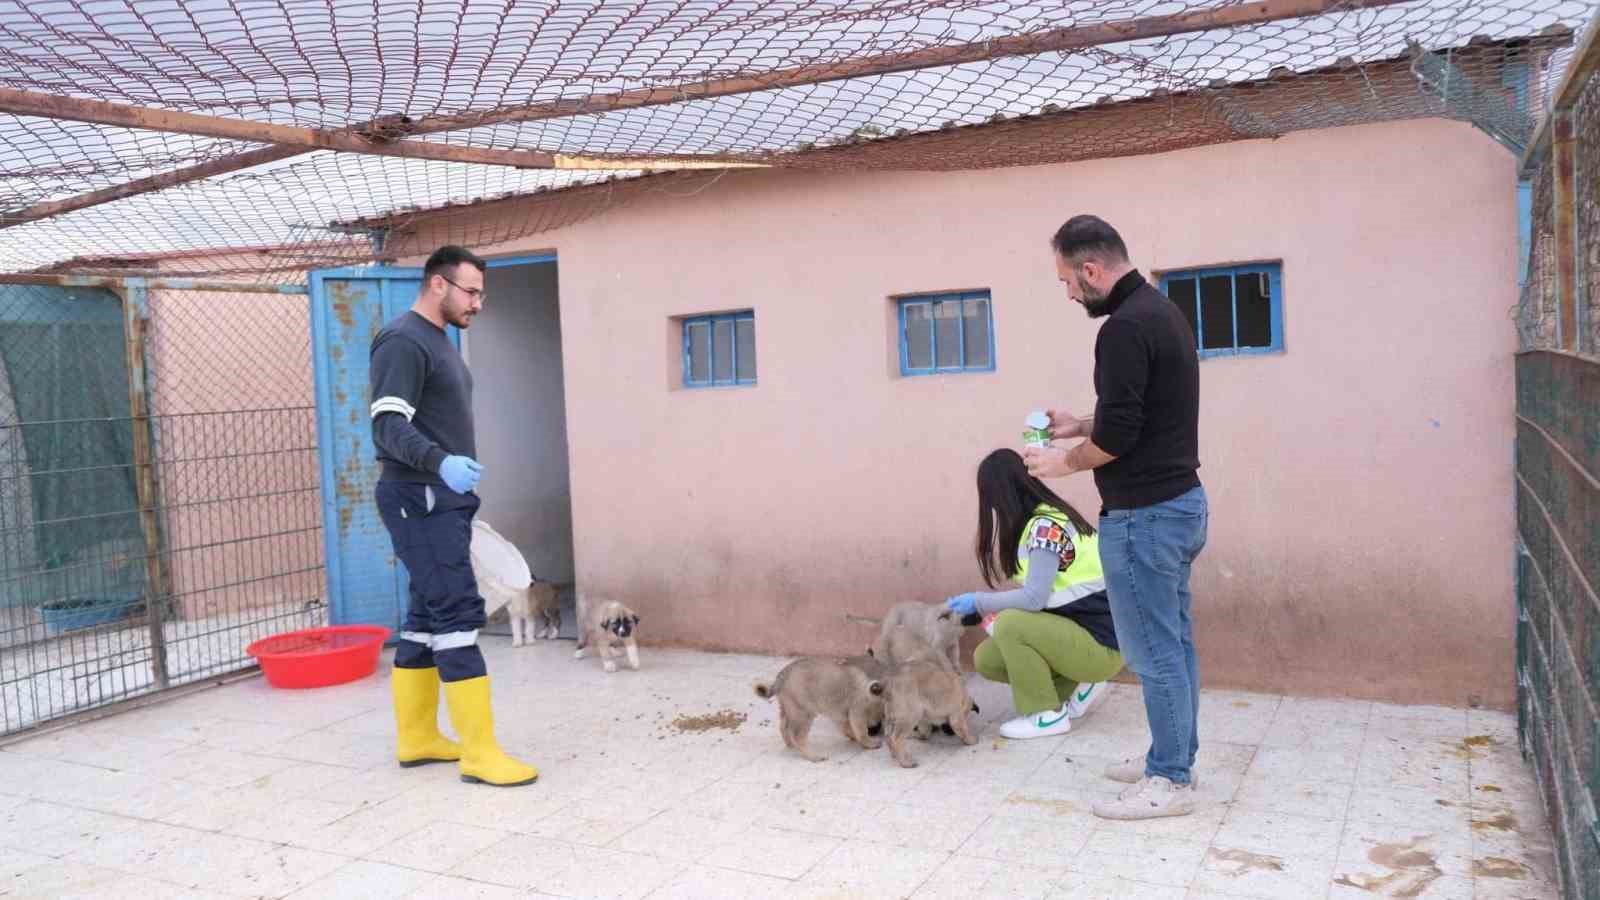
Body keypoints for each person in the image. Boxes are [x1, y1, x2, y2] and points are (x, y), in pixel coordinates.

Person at [1024, 215, 1207, 820]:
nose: (1069, 294)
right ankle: (1172, 754)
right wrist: (1080, 423)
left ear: (1092, 269)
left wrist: (1062, 461)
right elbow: (1141, 414)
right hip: (1180, 503)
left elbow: (1124, 436)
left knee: (1153, 652)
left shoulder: (1122, 330)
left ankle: (1170, 780)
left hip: (1146, 515)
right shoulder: (1161, 311)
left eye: (1068, 282)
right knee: (1173, 645)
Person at [369, 245, 537, 787]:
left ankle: (417, 738)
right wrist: (441, 463)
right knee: (458, 617)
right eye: (472, 291)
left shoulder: (438, 341)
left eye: (481, 293)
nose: (479, 304)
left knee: (425, 617)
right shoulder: (402, 340)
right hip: (420, 495)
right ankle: (480, 754)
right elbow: (387, 426)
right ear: (438, 285)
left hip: (440, 499)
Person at [945, 449, 1122, 740]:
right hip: (1080, 633)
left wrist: (979, 601)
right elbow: (1046, 596)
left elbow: (1034, 599)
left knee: (1012, 624)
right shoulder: (1034, 526)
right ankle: (1080, 684)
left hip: (1104, 643)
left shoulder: (1045, 528)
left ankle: (1046, 715)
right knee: (988, 658)